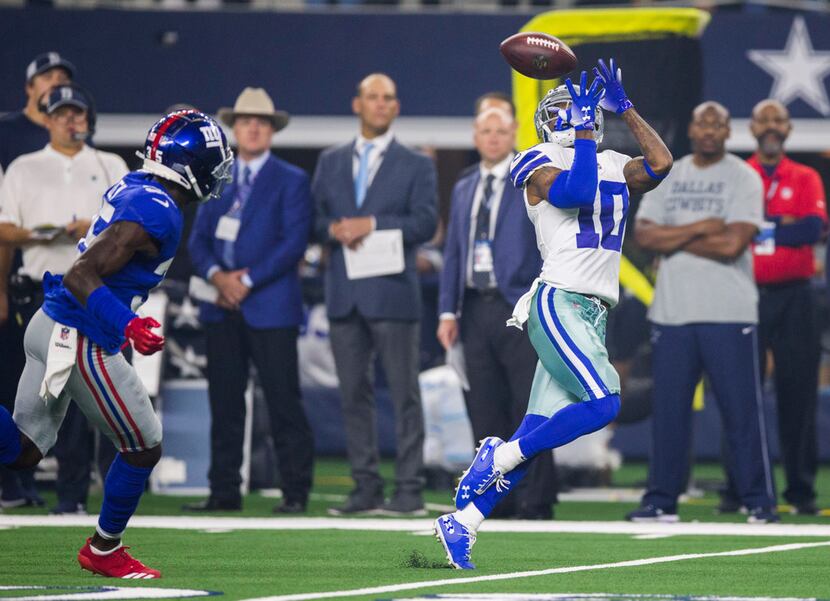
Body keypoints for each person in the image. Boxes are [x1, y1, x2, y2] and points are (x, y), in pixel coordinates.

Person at [435, 59, 673, 569]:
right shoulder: (534, 157)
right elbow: (574, 192)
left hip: (590, 312)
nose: (575, 118)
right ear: (547, 121)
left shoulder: (611, 159)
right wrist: (585, 134)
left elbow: (660, 162)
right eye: (566, 112)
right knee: (605, 404)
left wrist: (626, 109)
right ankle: (495, 456)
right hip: (558, 299)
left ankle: (464, 522)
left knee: (536, 432)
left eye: (580, 112)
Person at [0, 110, 233, 578]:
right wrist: (127, 323)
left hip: (53, 325)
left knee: (22, 452)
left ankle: (106, 548)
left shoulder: (137, 187)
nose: (218, 172)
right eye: (212, 161)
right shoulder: (159, 208)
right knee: (144, 446)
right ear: (189, 165)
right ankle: (105, 549)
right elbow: (80, 274)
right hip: (81, 336)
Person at [626, 101, 778, 524]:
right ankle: (661, 501)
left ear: (729, 132)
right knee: (669, 415)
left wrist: (671, 237)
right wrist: (704, 225)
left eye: (718, 124)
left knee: (741, 414)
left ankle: (759, 503)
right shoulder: (671, 175)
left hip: (729, 314)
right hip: (672, 314)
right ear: (691, 130)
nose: (709, 130)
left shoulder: (744, 177)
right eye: (702, 123)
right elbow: (643, 236)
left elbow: (733, 245)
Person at [313, 73, 437, 516]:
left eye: (388, 98)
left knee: (404, 395)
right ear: (357, 104)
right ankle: (364, 488)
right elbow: (314, 219)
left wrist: (372, 224)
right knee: (352, 396)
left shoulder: (417, 163)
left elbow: (425, 223)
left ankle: (409, 490)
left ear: (396, 108)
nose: (381, 104)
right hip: (345, 294)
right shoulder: (330, 161)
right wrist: (332, 229)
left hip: (393, 295)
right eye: (373, 97)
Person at [185, 87, 314, 513]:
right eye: (244, 121)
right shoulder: (215, 177)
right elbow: (198, 240)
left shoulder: (291, 180)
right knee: (224, 403)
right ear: (235, 128)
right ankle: (223, 491)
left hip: (270, 306)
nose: (253, 127)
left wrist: (247, 281)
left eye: (260, 121)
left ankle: (295, 492)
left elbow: (294, 241)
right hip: (220, 306)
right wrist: (217, 277)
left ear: (272, 130)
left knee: (283, 401)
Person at [0, 84, 127, 514]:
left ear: (88, 119)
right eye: (61, 115)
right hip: (38, 287)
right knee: (29, 392)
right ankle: (18, 485)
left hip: (89, 295)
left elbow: (129, 227)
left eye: (77, 114)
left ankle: (72, 494)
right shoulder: (24, 166)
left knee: (81, 396)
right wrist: (46, 230)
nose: (71, 122)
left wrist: (91, 225)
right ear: (47, 119)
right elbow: (4, 227)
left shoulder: (110, 165)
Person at [437, 95, 557, 520]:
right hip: (475, 309)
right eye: (486, 131)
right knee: (484, 408)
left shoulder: (532, 177)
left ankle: (537, 499)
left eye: (501, 131)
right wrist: (447, 312)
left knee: (531, 407)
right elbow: (454, 251)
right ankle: (495, 500)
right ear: (476, 135)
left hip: (520, 304)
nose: (492, 138)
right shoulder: (465, 184)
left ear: (513, 135)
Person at [718, 99, 826, 516]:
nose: (770, 126)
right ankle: (736, 488)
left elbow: (812, 229)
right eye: (762, 118)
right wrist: (781, 224)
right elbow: (724, 229)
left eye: (777, 119)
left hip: (796, 296)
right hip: (741, 292)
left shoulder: (805, 176)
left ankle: (801, 491)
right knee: (738, 392)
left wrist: (760, 226)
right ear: (754, 127)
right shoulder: (735, 174)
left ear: (789, 128)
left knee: (797, 393)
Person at [0, 51, 75, 509]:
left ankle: (33, 480)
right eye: (46, 76)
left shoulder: (72, 142)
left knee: (49, 387)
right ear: (29, 87)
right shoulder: (8, 134)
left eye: (63, 78)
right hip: (16, 270)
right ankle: (12, 480)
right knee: (11, 380)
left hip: (60, 279)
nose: (55, 83)